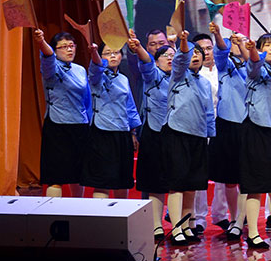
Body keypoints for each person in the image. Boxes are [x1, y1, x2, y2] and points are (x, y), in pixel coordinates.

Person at [235, 33, 271, 249]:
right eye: (267, 45)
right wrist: (251, 49)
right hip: (255, 130)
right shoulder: (256, 70)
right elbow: (253, 62)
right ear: (260, 50)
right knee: (255, 185)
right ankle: (253, 233)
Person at [163, 31, 216, 246]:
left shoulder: (204, 82)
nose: (195, 56)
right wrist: (184, 42)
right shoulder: (178, 74)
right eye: (192, 53)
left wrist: (210, 135)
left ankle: (187, 226)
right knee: (177, 183)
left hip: (198, 136)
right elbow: (180, 58)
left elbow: (209, 112)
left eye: (199, 53)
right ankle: (176, 228)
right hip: (177, 132)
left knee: (192, 185)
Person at [33, 30, 91, 198]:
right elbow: (47, 56)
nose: (69, 49)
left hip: (79, 125)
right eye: (64, 47)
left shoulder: (80, 70)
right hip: (57, 126)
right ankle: (53, 212)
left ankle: (77, 209)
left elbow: (87, 99)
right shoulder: (51, 67)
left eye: (71, 45)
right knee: (55, 176)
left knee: (78, 175)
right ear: (55, 50)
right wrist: (41, 41)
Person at [128, 31, 173, 239]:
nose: (169, 59)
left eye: (172, 55)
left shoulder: (182, 76)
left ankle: (181, 224)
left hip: (178, 132)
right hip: (154, 131)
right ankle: (155, 224)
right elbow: (146, 63)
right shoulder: (152, 74)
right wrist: (138, 47)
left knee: (177, 181)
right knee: (154, 180)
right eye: (165, 55)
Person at [83, 41, 141, 198]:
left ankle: (122, 213)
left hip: (122, 133)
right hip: (102, 132)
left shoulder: (123, 79)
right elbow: (95, 68)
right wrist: (94, 53)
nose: (113, 56)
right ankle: (100, 214)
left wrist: (133, 132)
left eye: (116, 52)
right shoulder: (97, 77)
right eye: (107, 53)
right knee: (103, 180)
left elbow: (130, 106)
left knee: (123, 179)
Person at [209, 25, 249, 241]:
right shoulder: (225, 64)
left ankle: (241, 219)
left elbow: (256, 65)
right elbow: (221, 51)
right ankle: (234, 219)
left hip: (249, 125)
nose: (236, 43)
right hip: (227, 124)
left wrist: (243, 46)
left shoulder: (255, 64)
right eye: (233, 40)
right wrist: (218, 35)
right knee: (230, 179)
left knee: (246, 178)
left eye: (241, 40)